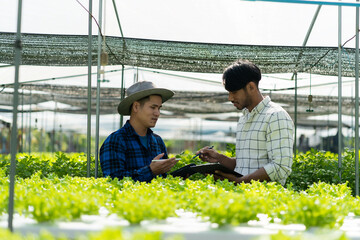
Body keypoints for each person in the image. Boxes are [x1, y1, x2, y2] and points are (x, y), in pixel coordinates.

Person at [198, 59, 294, 186]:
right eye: (229, 93)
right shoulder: (244, 118)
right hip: (241, 197)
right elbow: (245, 164)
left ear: (251, 87)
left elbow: (281, 167)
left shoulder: (276, 116)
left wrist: (240, 182)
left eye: (234, 92)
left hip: (264, 200)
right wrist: (219, 159)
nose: (230, 98)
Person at [100, 81, 178, 182]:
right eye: (153, 107)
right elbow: (114, 180)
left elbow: (162, 180)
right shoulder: (116, 140)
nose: (157, 113)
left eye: (159, 108)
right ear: (136, 107)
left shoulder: (158, 141)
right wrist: (150, 171)